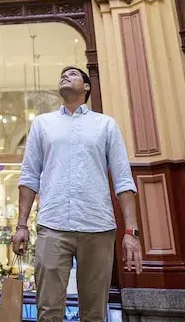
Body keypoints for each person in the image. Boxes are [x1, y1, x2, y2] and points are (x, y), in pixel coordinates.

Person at [13, 66, 142, 322]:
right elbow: (29, 176)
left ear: (86, 87)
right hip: (53, 226)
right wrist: (21, 225)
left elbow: (123, 179)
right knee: (48, 311)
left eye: (73, 74)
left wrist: (132, 232)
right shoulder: (42, 124)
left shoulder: (106, 125)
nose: (65, 75)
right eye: (63, 74)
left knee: (94, 313)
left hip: (98, 227)